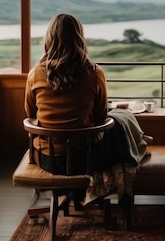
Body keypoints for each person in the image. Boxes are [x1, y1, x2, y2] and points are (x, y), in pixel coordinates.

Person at [24, 13, 108, 175]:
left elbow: (31, 113)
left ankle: (66, 195)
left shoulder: (34, 74)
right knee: (118, 125)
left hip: (48, 158)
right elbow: (100, 115)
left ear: (49, 39)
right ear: (79, 38)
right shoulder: (95, 73)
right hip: (85, 158)